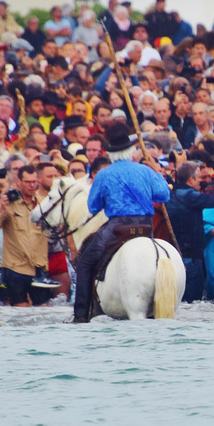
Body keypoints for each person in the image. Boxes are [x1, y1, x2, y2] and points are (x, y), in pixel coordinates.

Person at [73, 126, 170, 323]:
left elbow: (93, 207)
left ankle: (81, 316)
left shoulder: (103, 174)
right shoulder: (146, 171)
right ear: (131, 150)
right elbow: (164, 195)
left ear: (109, 152)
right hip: (145, 226)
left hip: (117, 228)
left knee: (84, 263)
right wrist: (157, 172)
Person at [167, 155, 214, 303]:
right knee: (191, 303)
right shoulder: (188, 195)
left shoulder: (173, 193)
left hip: (176, 255)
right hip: (189, 258)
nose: (200, 183)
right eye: (198, 179)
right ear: (190, 180)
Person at [0, 166, 49, 307]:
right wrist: (1, 210)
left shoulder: (43, 203)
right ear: (19, 182)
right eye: (28, 182)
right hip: (15, 267)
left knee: (44, 311)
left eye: (34, 182)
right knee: (21, 312)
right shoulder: (9, 203)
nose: (32, 186)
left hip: (38, 267)